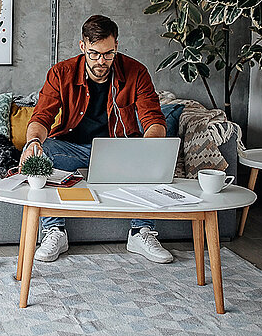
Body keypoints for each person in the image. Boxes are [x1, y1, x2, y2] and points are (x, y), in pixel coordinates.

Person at [19, 15, 170, 264]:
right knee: (44, 151)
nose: (101, 61)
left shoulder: (136, 72)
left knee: (149, 153)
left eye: (108, 54)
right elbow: (42, 117)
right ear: (82, 47)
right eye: (94, 54)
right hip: (72, 148)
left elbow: (153, 119)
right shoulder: (61, 73)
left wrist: (149, 147)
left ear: (116, 47)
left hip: (118, 149)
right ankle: (54, 231)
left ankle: (140, 232)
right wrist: (33, 142)